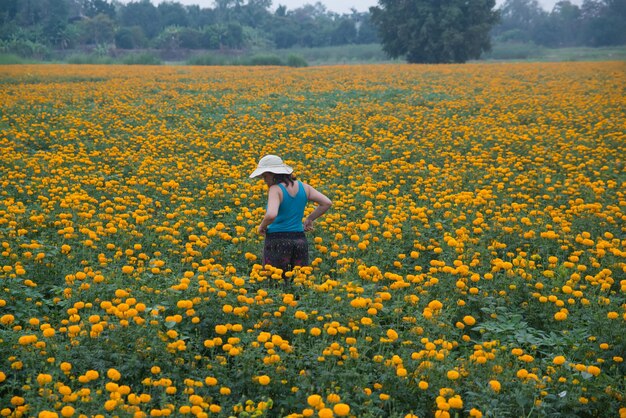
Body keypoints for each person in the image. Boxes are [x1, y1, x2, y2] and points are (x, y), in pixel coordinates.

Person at [249, 154, 332, 275]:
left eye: (265, 176)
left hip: (277, 241)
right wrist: (310, 219)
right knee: (299, 282)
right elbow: (326, 203)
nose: (264, 180)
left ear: (274, 174)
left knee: (275, 282)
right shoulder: (304, 187)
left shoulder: (275, 189)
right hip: (299, 240)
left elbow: (271, 214)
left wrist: (262, 226)